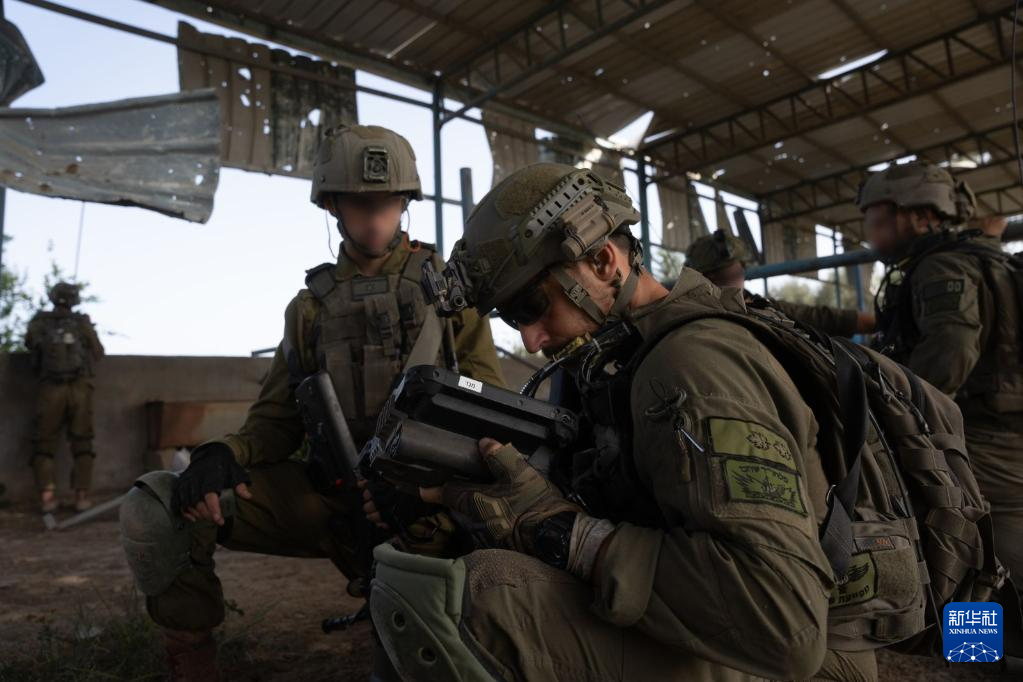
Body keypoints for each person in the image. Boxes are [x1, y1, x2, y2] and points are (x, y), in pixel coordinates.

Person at [366, 163, 879, 681]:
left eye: (531, 305)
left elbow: (784, 626)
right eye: (513, 318)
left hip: (803, 659)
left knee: (487, 600)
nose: (531, 340)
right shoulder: (615, 363)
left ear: (602, 261)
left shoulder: (691, 367)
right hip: (735, 635)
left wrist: (558, 529)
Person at [119, 124, 505, 681]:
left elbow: (485, 408)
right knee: (158, 504)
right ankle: (192, 660)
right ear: (332, 206)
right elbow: (275, 422)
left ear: (405, 203)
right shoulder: (309, 309)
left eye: (388, 203)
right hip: (329, 499)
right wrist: (222, 453)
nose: (375, 218)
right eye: (360, 203)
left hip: (425, 511)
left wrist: (431, 493)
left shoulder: (447, 293)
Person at [858, 161, 1023, 597]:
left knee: (979, 555)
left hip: (981, 439)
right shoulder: (981, 256)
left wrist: (899, 419)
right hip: (997, 427)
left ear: (917, 215)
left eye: (876, 220)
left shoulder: (942, 267)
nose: (869, 234)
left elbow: (950, 353)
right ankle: (978, 634)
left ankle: (974, 634)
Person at [685, 229, 875, 336]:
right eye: (716, 279)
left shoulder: (760, 307)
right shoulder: (686, 318)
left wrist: (880, 321)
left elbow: (817, 317)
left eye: (735, 275)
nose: (727, 287)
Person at [25, 281, 104, 513]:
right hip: (79, 388)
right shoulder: (81, 322)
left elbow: (29, 344)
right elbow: (98, 352)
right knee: (82, 442)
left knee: (43, 443)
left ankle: (47, 497)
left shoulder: (40, 321)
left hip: (50, 388)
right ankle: (82, 496)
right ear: (74, 300)